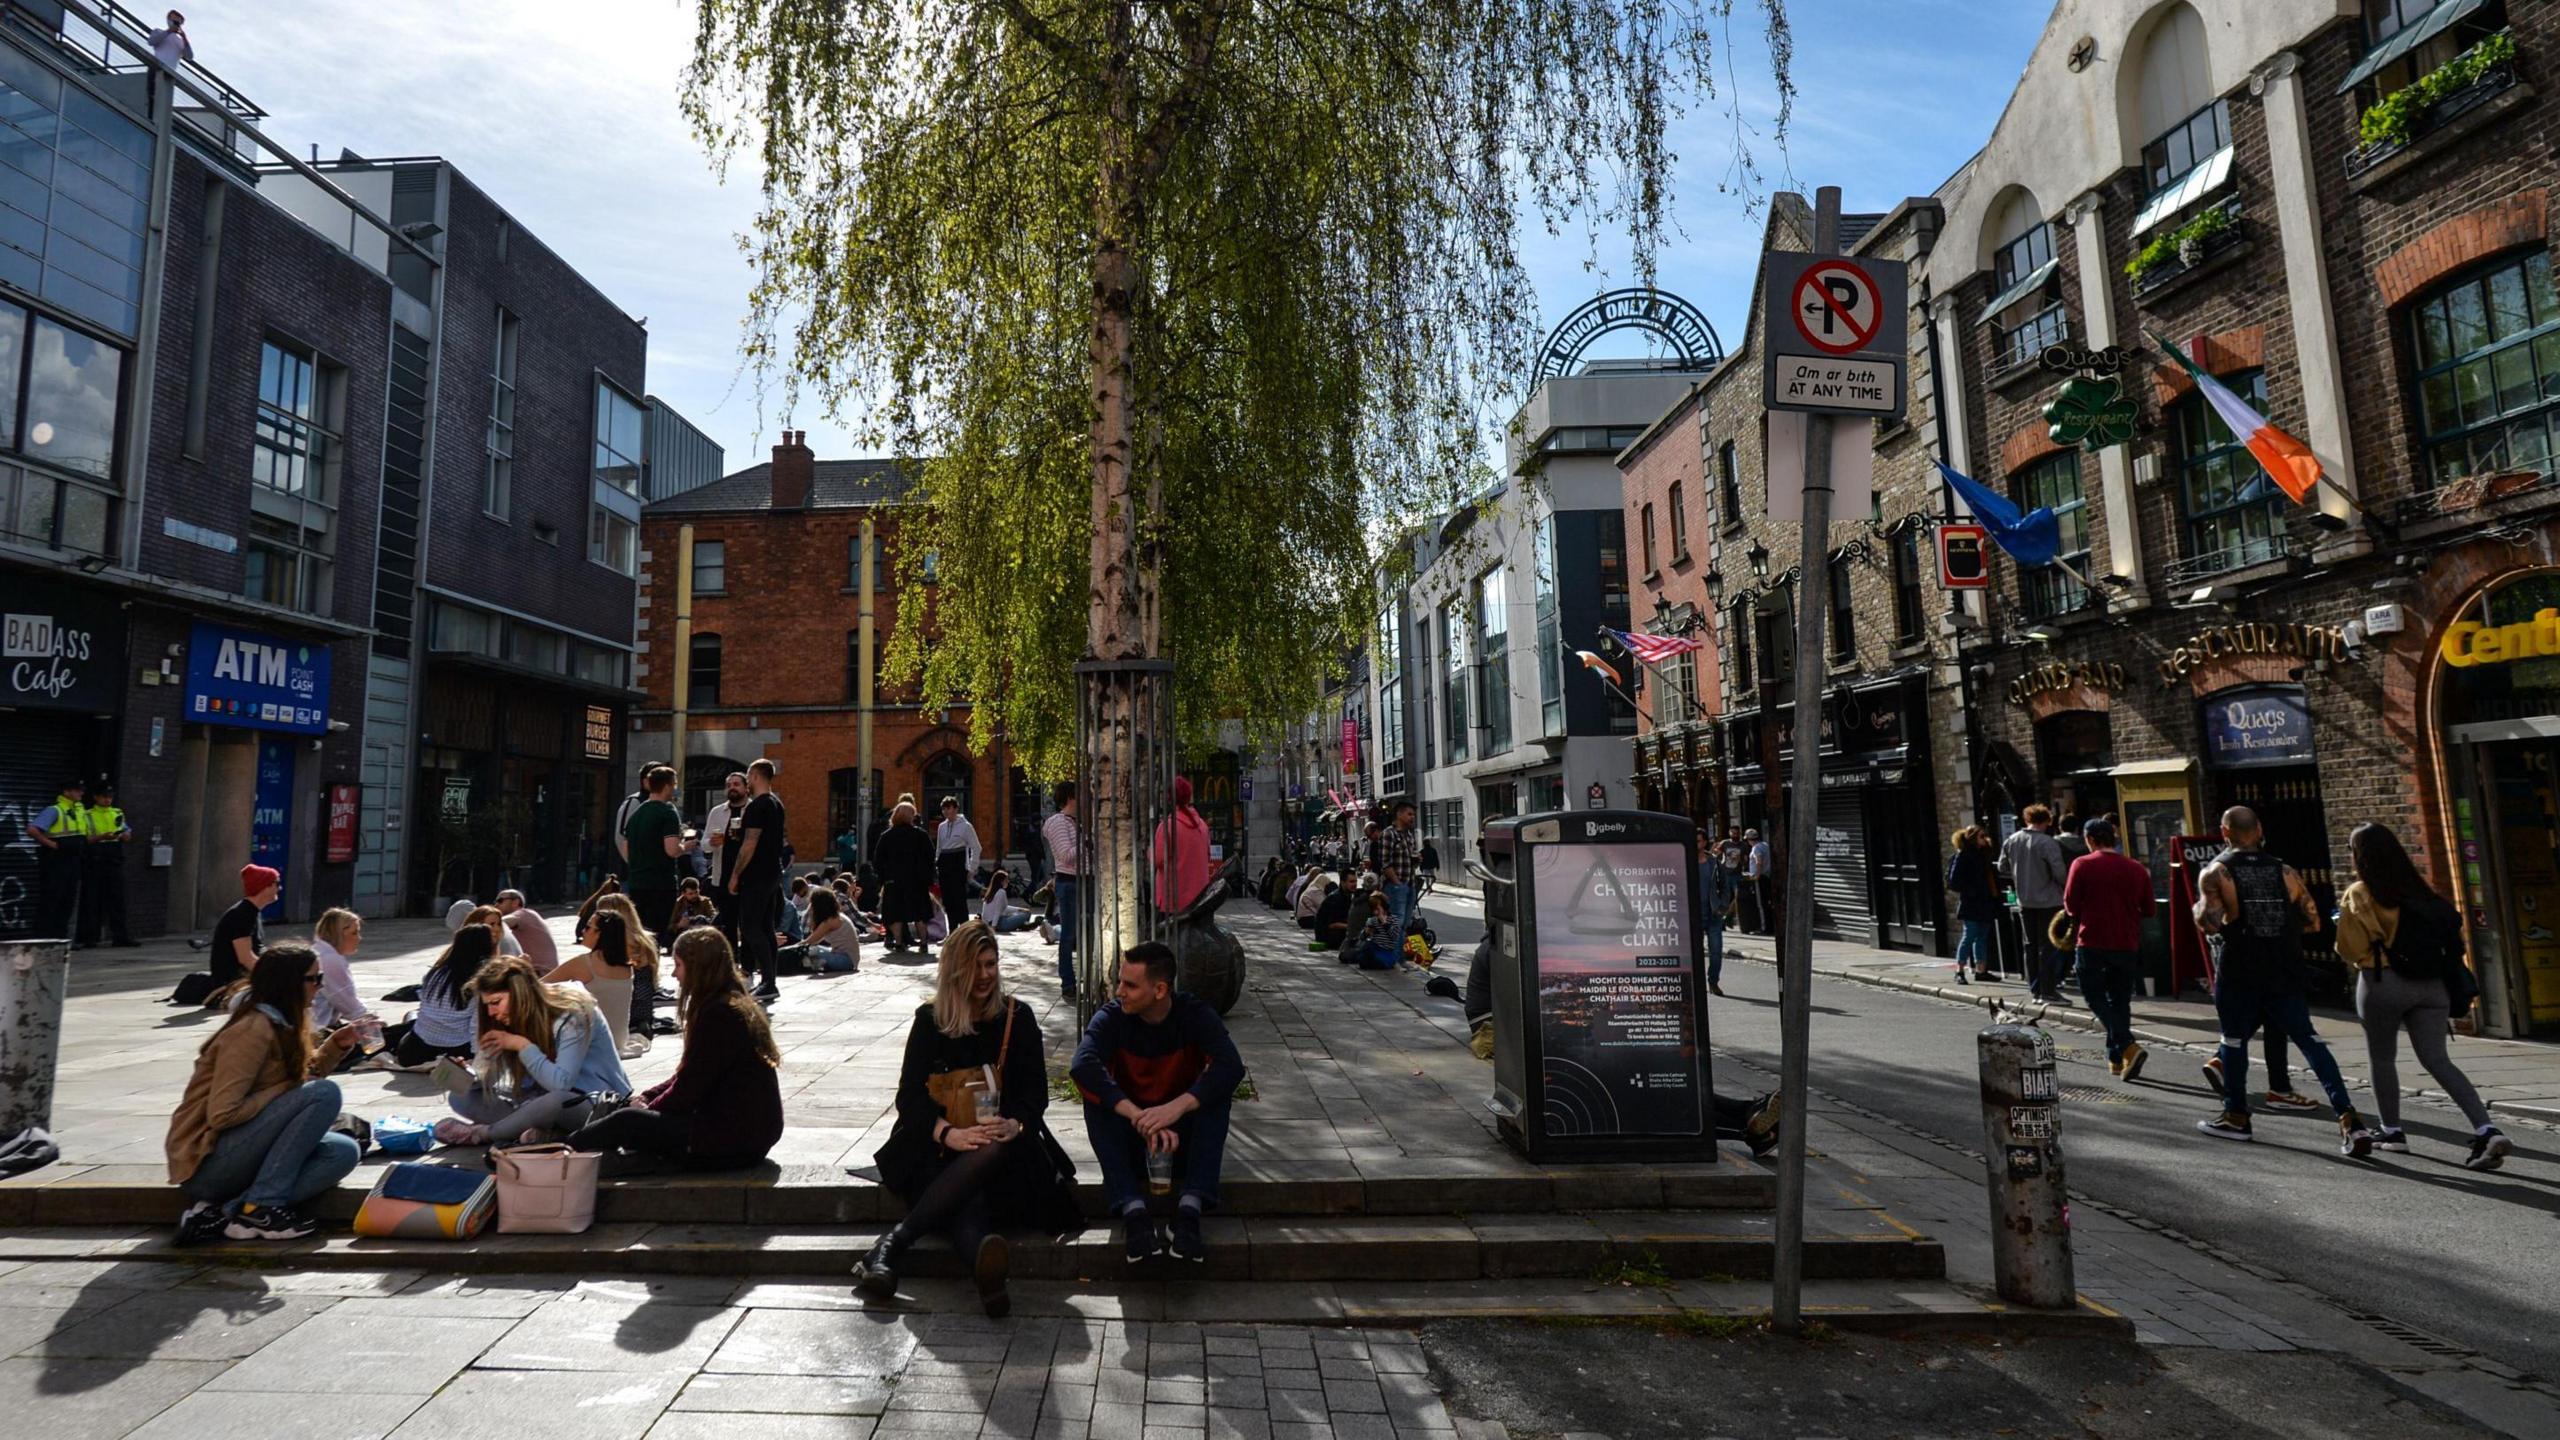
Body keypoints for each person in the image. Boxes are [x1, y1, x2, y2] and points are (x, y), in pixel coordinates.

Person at [858, 920, 1069, 1316]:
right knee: (965, 1193)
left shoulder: (1017, 1018)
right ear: (956, 969)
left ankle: (892, 1246)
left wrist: (1015, 1124)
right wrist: (946, 1133)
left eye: (991, 964)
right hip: (938, 1148)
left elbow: (1035, 1094)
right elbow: (910, 1095)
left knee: (986, 1152)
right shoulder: (930, 1021)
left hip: (1003, 1153)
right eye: (977, 966)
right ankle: (986, 1277)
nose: (987, 975)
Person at [2192, 807, 2374, 1154]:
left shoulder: (2216, 872)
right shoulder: (2284, 870)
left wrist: (2200, 909)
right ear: (2259, 829)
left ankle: (2235, 1115)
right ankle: (2349, 1118)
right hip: (2283, 965)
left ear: (2224, 832)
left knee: (2232, 1041)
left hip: (2240, 966)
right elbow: (2313, 922)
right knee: (2309, 1040)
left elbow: (2210, 923)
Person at [2334, 822, 2511, 1170]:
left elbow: (2349, 948)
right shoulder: (2421, 890)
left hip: (2383, 982)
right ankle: (2486, 1128)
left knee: (2382, 1058)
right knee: (2438, 1059)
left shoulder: (2361, 892)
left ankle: (2392, 1132)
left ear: (2359, 856)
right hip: (2432, 984)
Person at [166, 943, 363, 1244]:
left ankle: (229, 1212)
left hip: (241, 1151)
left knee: (343, 1150)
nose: (319, 987)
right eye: (313, 979)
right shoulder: (251, 1030)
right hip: (207, 1161)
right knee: (324, 1094)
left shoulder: (282, 1023)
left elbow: (295, 1085)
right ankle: (263, 1205)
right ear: (288, 984)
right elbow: (223, 1114)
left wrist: (335, 1048)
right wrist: (285, 1089)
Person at [1072, 941, 1245, 1264]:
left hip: (1181, 1141)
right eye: (1120, 981)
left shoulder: (1193, 1014)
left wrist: (1174, 1109)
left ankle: (1189, 1212)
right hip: (1136, 1140)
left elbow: (1230, 1066)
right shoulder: (1112, 1018)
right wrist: (1140, 1117)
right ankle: (1134, 1213)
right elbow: (1082, 1065)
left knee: (1215, 1097)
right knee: (1096, 1101)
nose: (1119, 990)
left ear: (1160, 989)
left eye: (1130, 985)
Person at [570, 928, 783, 1172]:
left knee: (625, 1121)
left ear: (699, 968)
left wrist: (649, 1109)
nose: (674, 974)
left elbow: (689, 1089)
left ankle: (557, 1150)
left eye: (679, 965)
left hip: (734, 1139)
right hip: (742, 1133)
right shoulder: (727, 1004)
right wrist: (647, 1096)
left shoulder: (719, 1015)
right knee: (628, 1112)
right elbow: (688, 1074)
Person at [438, 954, 633, 1148]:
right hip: (535, 1103)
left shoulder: (573, 1012)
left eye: (496, 1002)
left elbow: (561, 1084)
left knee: (555, 1102)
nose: (491, 1013)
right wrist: (468, 1074)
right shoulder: (505, 1019)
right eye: (487, 1005)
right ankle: (536, 1134)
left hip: (594, 1104)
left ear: (520, 994)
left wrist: (522, 1046)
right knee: (461, 1097)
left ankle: (483, 1133)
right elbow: (487, 1079)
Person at [2063, 817, 2154, 1081]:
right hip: (2126, 943)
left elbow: (2071, 905)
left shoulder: (2082, 864)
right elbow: (2149, 909)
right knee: (2120, 1000)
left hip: (2092, 940)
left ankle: (2127, 1045)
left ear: (2090, 840)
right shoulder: (2136, 868)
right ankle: (2116, 1059)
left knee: (2094, 997)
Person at [380, 925, 490, 1069]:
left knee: (413, 1017)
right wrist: (477, 1058)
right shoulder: (478, 983)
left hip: (415, 1051)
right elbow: (476, 1025)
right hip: (458, 1050)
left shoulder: (435, 974)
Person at [544, 906, 646, 1060]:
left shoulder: (585, 963)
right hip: (618, 1040)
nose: (583, 931)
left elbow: (540, 986)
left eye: (588, 927)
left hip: (593, 1042)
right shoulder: (627, 967)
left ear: (600, 934)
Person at [728, 759, 789, 1002]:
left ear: (754, 776)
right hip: (773, 872)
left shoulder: (757, 807)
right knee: (765, 928)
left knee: (751, 927)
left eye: (748, 775)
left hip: (757, 874)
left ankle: (768, 981)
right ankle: (769, 980)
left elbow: (750, 843)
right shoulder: (776, 804)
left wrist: (735, 875)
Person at [2001, 805, 2070, 1001]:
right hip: (2048, 900)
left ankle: (2034, 988)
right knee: (2047, 946)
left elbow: (2002, 866)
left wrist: (2019, 875)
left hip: (2025, 900)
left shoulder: (2012, 840)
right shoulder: (2047, 843)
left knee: (2029, 946)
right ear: (2047, 821)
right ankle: (2048, 990)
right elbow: (2059, 872)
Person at [623, 764, 690, 951]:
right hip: (660, 883)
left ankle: (641, 975)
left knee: (641, 932)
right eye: (674, 784)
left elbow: (626, 848)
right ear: (668, 786)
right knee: (656, 934)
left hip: (637, 881)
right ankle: (649, 975)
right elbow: (671, 850)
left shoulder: (636, 815)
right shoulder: (668, 812)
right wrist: (686, 846)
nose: (675, 788)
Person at [26, 777, 90, 943]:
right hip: (56, 861)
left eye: (81, 790)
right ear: (66, 792)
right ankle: (43, 937)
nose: (81, 793)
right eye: (77, 790)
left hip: (74, 859)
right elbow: (32, 830)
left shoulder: (79, 810)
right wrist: (51, 844)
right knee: (52, 898)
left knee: (67, 899)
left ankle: (60, 938)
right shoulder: (55, 810)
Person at [77, 781, 136, 947]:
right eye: (104, 796)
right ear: (96, 797)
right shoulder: (87, 815)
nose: (107, 800)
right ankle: (89, 938)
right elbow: (85, 838)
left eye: (110, 796)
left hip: (114, 858)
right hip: (95, 859)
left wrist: (125, 836)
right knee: (92, 900)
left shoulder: (117, 812)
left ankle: (120, 937)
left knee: (118, 900)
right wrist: (102, 837)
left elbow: (127, 833)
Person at [876, 800, 939, 953]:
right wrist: (927, 876)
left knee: (895, 914)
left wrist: (884, 877)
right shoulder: (920, 835)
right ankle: (923, 943)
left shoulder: (887, 836)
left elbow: (878, 859)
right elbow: (931, 856)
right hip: (917, 881)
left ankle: (899, 943)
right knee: (920, 913)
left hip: (894, 880)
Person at [207, 864, 278, 999]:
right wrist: (273, 978)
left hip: (244, 977)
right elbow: (246, 958)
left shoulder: (251, 912)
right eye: (277, 883)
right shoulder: (242, 915)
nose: (279, 888)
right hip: (233, 982)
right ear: (264, 886)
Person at [1151, 777, 1214, 914]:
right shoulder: (1202, 826)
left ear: (1169, 798)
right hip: (1200, 898)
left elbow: (1157, 859)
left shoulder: (1167, 826)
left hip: (1174, 898)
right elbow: (1208, 856)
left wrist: (1150, 851)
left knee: (1172, 934)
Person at [1945, 827, 1998, 985]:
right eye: (1982, 836)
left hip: (1985, 900)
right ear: (1974, 838)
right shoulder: (1963, 855)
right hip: (1971, 902)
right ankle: (1959, 970)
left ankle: (1981, 970)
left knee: (1982, 936)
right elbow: (1954, 882)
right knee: (1969, 936)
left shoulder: (1983, 854)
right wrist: (1972, 890)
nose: (1985, 838)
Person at [309, 908, 373, 1036]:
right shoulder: (330, 960)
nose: (359, 938)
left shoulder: (320, 951)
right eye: (354, 933)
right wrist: (375, 1022)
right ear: (339, 934)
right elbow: (352, 1008)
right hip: (318, 1030)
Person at [1043, 782, 1081, 998]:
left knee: (1082, 932)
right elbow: (1066, 854)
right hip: (1069, 883)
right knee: (1069, 935)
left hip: (1084, 881)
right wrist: (1089, 841)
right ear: (1070, 797)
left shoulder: (1076, 822)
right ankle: (1068, 982)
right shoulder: (1058, 823)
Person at [705, 771, 749, 942]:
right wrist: (712, 842)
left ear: (746, 788)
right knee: (728, 922)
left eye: (737, 784)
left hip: (747, 876)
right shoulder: (717, 812)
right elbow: (704, 845)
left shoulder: (753, 809)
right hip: (722, 875)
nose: (732, 788)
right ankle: (731, 961)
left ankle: (747, 964)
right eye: (729, 785)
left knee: (747, 922)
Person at [782, 887, 863, 973]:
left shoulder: (830, 921)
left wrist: (786, 950)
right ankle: (814, 963)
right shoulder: (835, 916)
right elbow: (815, 939)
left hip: (846, 961)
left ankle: (810, 964)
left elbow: (809, 942)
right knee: (813, 949)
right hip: (848, 959)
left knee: (811, 950)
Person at [1695, 829, 1736, 998]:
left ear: (1704, 842)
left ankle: (1713, 982)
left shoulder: (1713, 863)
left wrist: (1723, 906)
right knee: (1695, 953)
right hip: (1694, 915)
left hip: (1713, 914)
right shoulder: (1683, 861)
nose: (1695, 844)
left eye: (1698, 841)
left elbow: (1725, 886)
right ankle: (1697, 985)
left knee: (1716, 951)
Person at [934, 796, 984, 932]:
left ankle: (964, 932)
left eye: (948, 808)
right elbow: (939, 848)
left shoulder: (966, 826)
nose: (946, 812)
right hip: (945, 865)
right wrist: (937, 864)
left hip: (958, 864)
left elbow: (976, 847)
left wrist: (972, 869)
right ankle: (952, 931)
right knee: (948, 901)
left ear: (956, 809)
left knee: (959, 901)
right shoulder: (941, 827)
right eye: (944, 809)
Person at [1380, 800, 1422, 941]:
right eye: (1409, 814)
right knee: (1396, 923)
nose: (1412, 817)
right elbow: (1385, 863)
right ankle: (1392, 959)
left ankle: (1399, 958)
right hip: (1395, 886)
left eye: (1414, 815)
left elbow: (1409, 861)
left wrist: (1416, 860)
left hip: (1410, 884)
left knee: (1405, 924)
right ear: (1399, 814)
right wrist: (1398, 884)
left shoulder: (1409, 835)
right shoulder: (1389, 834)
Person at [494, 889, 559, 971]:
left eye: (500, 901)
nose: (496, 905)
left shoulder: (525, 914)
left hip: (539, 972)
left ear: (515, 902)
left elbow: (504, 921)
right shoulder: (527, 918)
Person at [1342, 890, 1401, 970]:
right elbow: (1362, 937)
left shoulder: (1393, 919)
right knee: (1362, 951)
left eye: (1377, 909)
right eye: (1373, 910)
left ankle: (1371, 961)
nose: (1375, 912)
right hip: (1374, 947)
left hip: (1385, 950)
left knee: (1382, 961)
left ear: (1384, 907)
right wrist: (1366, 932)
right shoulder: (1372, 920)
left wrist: (1384, 923)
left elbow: (1394, 936)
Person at [980, 869, 1043, 934]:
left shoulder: (990, 892)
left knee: (1019, 913)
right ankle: (1025, 925)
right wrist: (993, 928)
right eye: (1006, 880)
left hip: (993, 922)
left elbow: (1002, 908)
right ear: (1001, 881)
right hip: (1001, 923)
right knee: (1027, 914)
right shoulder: (1001, 892)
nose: (1008, 882)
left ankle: (1022, 925)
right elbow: (997, 912)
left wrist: (1020, 909)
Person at [1312, 876, 1358, 951]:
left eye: (1356, 881)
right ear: (1343, 883)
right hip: (1327, 937)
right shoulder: (1335, 898)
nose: (1355, 884)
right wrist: (1353, 926)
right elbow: (1331, 925)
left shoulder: (1347, 896)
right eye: (1351, 882)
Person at [1742, 829, 1772, 937]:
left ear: (1749, 839)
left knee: (1761, 904)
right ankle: (1769, 926)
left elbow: (1759, 861)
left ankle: (1764, 928)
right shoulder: (1765, 845)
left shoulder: (1756, 848)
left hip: (1760, 878)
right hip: (1767, 877)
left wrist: (1757, 875)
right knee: (1767, 903)